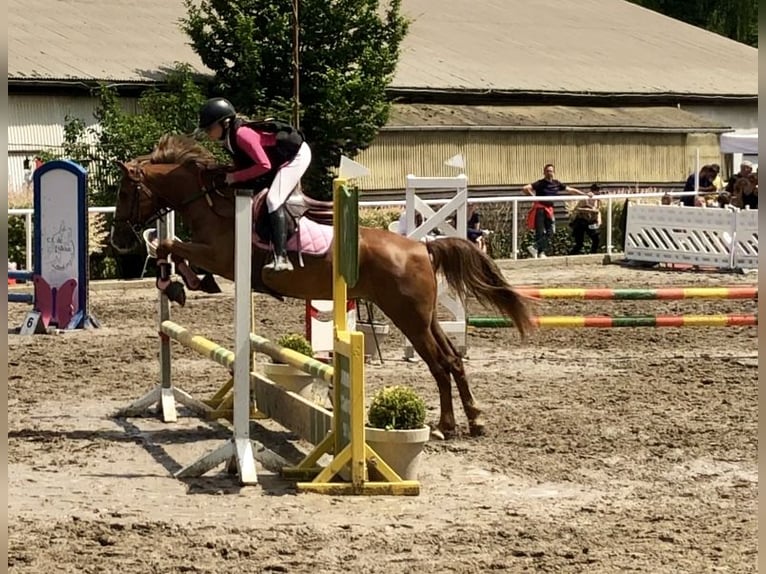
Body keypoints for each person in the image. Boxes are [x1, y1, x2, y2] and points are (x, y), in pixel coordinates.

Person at [197, 97, 311, 272]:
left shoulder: (242, 134)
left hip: (295, 156)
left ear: (225, 123)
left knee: (274, 199)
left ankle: (281, 257)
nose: (207, 133)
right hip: (278, 159)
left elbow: (264, 165)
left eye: (209, 128)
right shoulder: (230, 138)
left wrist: (235, 177)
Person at [522, 164, 589, 258]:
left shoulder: (556, 183)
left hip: (549, 209)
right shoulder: (540, 183)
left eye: (551, 171)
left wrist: (584, 194)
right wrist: (534, 198)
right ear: (544, 172)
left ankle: (535, 247)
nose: (549, 173)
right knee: (540, 232)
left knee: (551, 231)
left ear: (554, 172)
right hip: (540, 209)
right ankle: (540, 253)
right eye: (547, 171)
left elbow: (570, 190)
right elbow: (525, 188)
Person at [568, 183, 602, 255]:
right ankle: (571, 255)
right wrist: (589, 210)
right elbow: (577, 209)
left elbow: (598, 211)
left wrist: (599, 219)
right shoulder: (585, 198)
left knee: (596, 239)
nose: (598, 193)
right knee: (579, 243)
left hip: (591, 221)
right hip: (582, 221)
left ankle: (593, 254)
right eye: (597, 191)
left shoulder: (598, 200)